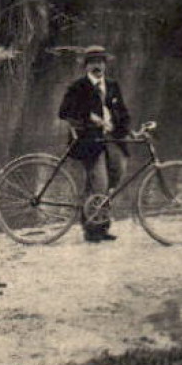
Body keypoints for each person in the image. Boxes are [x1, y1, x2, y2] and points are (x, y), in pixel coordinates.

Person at [58, 46, 132, 242]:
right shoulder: (78, 87)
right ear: (86, 66)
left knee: (118, 172)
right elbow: (64, 112)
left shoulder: (112, 85)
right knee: (100, 182)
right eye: (93, 62)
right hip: (89, 141)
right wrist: (91, 118)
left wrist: (125, 128)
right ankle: (94, 229)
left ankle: (94, 216)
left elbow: (123, 113)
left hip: (113, 139)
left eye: (100, 62)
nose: (97, 66)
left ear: (105, 64)